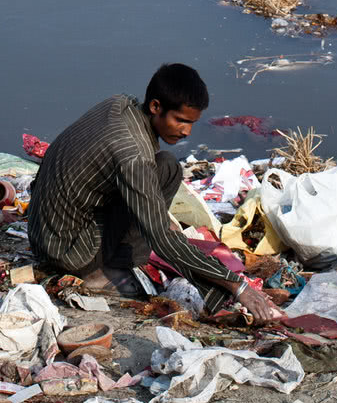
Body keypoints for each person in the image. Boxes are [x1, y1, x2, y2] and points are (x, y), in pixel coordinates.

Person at [27, 63, 281, 323]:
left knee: (167, 167)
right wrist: (237, 286)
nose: (186, 131)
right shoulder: (133, 155)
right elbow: (160, 239)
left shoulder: (119, 103)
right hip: (67, 250)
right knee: (162, 195)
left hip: (43, 230)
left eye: (192, 123)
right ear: (156, 107)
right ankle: (104, 273)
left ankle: (112, 260)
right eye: (180, 120)